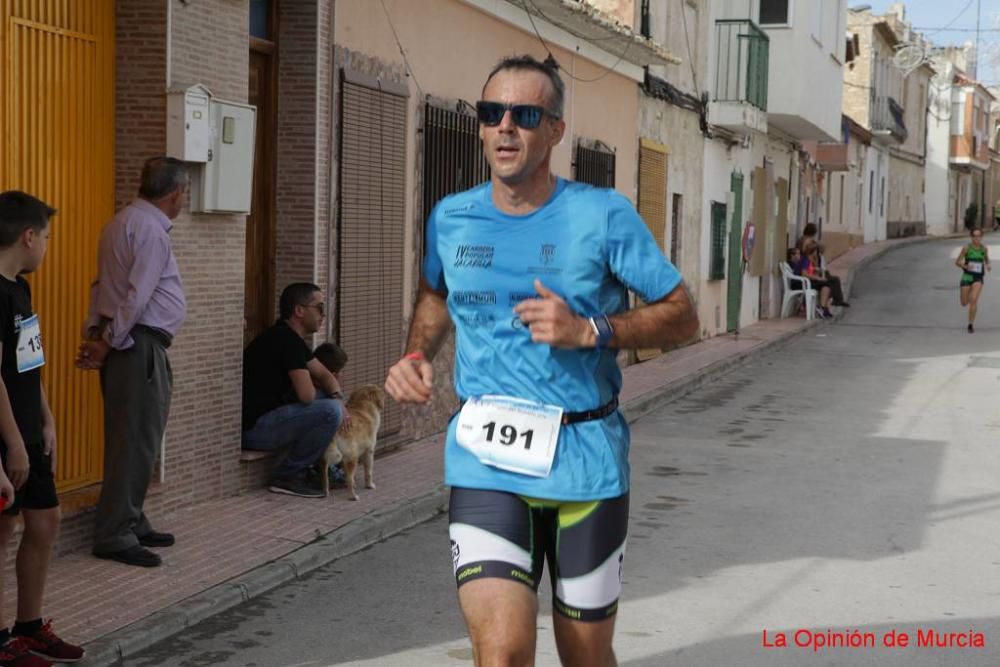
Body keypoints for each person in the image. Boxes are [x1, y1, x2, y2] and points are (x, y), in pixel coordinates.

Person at [384, 55, 699, 666]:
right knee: (501, 656)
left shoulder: (603, 215)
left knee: (583, 656)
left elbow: (684, 314)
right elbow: (434, 293)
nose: (506, 127)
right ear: (479, 127)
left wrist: (592, 329)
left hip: (586, 463)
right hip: (487, 461)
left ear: (555, 129)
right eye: (491, 113)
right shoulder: (453, 217)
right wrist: (417, 353)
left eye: (525, 114)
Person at [76, 157, 188, 569]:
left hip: (127, 340)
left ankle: (132, 518)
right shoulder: (151, 231)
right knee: (135, 439)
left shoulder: (119, 223)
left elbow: (102, 285)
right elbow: (136, 296)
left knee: (136, 435)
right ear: (176, 193)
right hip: (136, 344)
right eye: (185, 194)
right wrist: (108, 341)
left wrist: (96, 332)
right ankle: (115, 533)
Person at [0, 191, 84, 665]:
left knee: (45, 520)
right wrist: (13, 443)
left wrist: (46, 418)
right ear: (28, 236)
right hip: (6, 435)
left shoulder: (21, 287)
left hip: (30, 430)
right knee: (1, 531)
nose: (48, 247)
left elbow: (29, 359)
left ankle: (30, 626)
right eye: (47, 237)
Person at [242, 283, 346, 498]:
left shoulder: (292, 340)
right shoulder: (284, 340)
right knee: (330, 411)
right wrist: (336, 404)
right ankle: (289, 475)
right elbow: (306, 395)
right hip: (255, 429)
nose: (323, 315)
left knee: (332, 401)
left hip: (272, 418)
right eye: (319, 307)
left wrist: (338, 398)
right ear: (299, 311)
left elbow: (327, 376)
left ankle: (325, 464)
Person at [797, 223, 850, 310]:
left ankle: (832, 302)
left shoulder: (803, 240)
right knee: (832, 280)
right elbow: (804, 272)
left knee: (830, 279)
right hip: (806, 280)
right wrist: (818, 277)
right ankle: (836, 301)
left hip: (810, 274)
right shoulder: (807, 246)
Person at [956, 227, 991, 333]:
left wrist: (988, 265)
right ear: (971, 237)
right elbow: (957, 262)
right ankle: (969, 292)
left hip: (978, 277)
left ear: (982, 237)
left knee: (974, 300)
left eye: (979, 236)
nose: (977, 238)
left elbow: (986, 258)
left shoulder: (984, 249)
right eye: (974, 236)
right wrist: (966, 267)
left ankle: (970, 324)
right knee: (964, 302)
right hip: (967, 277)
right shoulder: (966, 248)